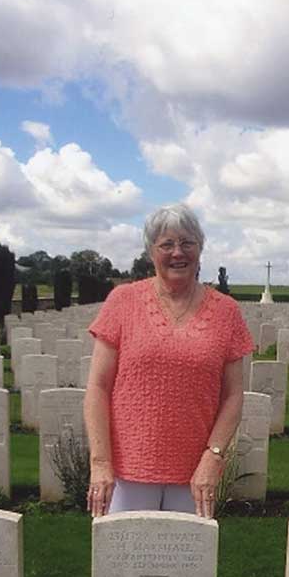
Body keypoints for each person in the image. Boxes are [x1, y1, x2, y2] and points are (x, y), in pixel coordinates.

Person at [83, 203, 255, 518]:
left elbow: (233, 395)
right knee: (124, 564)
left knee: (187, 566)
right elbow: (98, 386)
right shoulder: (123, 302)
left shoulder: (226, 312)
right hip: (126, 472)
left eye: (188, 243)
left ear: (200, 249)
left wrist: (213, 457)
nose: (178, 252)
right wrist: (100, 463)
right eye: (167, 244)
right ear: (151, 252)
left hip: (195, 476)